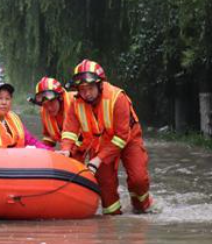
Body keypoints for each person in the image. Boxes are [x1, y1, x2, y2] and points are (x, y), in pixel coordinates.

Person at [58, 59, 152, 215]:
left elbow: (122, 137)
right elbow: (69, 130)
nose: (86, 93)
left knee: (139, 179)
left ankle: (142, 208)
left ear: (100, 84)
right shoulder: (76, 103)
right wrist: (66, 149)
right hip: (100, 143)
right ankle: (112, 221)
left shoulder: (117, 98)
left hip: (128, 140)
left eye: (90, 88)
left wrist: (98, 159)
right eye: (82, 89)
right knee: (106, 189)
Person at [29, 77, 77, 150]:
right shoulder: (44, 111)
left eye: (51, 103)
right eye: (45, 105)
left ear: (60, 97)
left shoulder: (76, 101)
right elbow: (48, 136)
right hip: (68, 150)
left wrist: (67, 151)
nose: (49, 108)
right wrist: (43, 149)